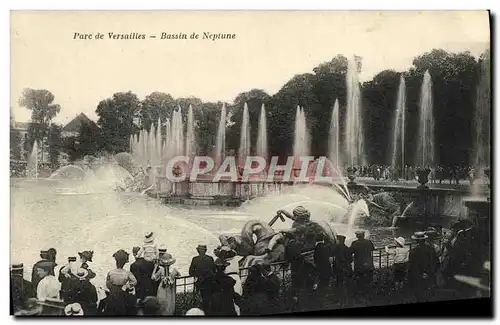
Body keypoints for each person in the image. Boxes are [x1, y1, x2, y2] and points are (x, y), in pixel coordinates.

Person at [407, 232, 439, 302]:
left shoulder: (413, 251)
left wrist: (419, 275)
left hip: (418, 277)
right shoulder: (431, 249)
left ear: (416, 240)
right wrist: (431, 272)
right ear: (424, 239)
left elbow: (411, 266)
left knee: (420, 296)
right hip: (430, 275)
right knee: (429, 295)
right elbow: (436, 262)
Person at [105, 249, 138, 315]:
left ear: (116, 261)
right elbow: (134, 281)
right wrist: (126, 286)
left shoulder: (111, 272)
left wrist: (113, 287)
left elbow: (107, 284)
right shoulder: (127, 273)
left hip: (113, 294)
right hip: (123, 293)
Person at [188, 244, 216, 312]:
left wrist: (198, 274)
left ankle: (204, 312)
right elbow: (214, 270)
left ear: (198, 251)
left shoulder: (195, 259)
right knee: (209, 298)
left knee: (203, 298)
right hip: (210, 281)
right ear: (205, 251)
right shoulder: (210, 258)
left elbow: (191, 272)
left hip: (200, 282)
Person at [350, 230, 375, 295]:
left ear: (357, 236)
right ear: (364, 235)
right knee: (368, 278)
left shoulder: (354, 243)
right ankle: (369, 292)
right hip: (368, 263)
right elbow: (373, 248)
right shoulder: (368, 242)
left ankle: (360, 292)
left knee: (359, 278)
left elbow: (350, 252)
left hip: (359, 264)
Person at [332, 235, 353, 301]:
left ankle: (338, 298)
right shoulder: (347, 248)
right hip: (347, 268)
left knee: (339, 283)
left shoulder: (336, 248)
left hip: (339, 268)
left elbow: (334, 256)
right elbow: (350, 260)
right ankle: (347, 298)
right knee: (347, 283)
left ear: (339, 240)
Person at [313, 233, 331, 306]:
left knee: (320, 284)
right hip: (327, 268)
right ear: (323, 239)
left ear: (316, 239)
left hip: (320, 269)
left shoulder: (317, 247)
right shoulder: (326, 247)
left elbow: (315, 259)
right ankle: (324, 299)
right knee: (325, 284)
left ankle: (319, 301)